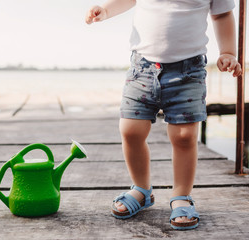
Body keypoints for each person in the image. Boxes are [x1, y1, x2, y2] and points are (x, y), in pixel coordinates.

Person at [85, 0, 242, 230]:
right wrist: (107, 10)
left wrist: (228, 51)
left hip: (189, 72)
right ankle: (141, 189)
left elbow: (222, 15)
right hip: (143, 67)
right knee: (130, 130)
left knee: (184, 136)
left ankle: (181, 195)